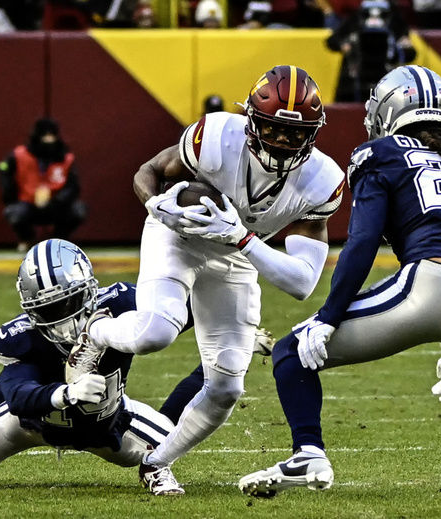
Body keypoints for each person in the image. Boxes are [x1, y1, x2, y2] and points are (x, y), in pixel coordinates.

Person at [238, 65, 441, 515]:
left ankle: (308, 453)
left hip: (432, 283)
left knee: (292, 352)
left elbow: (363, 241)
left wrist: (328, 317)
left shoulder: (381, 153)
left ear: (388, 110)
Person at [68, 65, 345, 496]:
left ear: (314, 132)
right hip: (180, 237)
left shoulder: (321, 181)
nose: (283, 142)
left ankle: (157, 462)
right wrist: (156, 207)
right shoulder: (215, 137)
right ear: (252, 119)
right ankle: (97, 330)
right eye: (273, 129)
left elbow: (302, 283)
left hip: (236, 256)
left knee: (226, 386)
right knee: (156, 331)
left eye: (296, 133)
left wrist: (243, 238)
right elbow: (149, 171)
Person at [0, 239, 275, 469]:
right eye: (47, 310)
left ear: (88, 291)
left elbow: (182, 314)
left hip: (106, 422)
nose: (60, 319)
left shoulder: (120, 304)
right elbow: (18, 394)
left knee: (169, 444)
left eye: (67, 304)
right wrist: (64, 394)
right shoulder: (21, 338)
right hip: (32, 425)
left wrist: (236, 339)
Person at [0, 118, 86, 252]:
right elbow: (3, 168)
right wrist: (10, 194)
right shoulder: (20, 154)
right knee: (14, 212)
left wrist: (59, 199)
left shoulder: (66, 157)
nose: (48, 140)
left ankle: (59, 241)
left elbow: (73, 185)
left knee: (78, 210)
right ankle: (27, 239)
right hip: (28, 202)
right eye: (45, 135)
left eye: (51, 135)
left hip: (56, 204)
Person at [326, 0, 415, 102]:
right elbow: (332, 41)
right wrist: (345, 45)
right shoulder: (356, 18)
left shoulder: (395, 20)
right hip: (354, 82)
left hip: (387, 83)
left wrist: (404, 47)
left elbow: (410, 53)